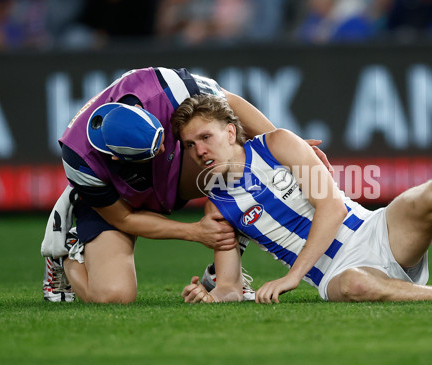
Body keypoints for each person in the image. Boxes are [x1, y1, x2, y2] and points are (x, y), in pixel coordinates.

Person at [172, 94, 432, 304]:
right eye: (190, 145)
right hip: (335, 275)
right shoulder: (216, 207)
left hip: (376, 231)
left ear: (230, 131)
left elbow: (330, 207)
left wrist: (293, 276)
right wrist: (207, 295)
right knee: (355, 284)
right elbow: (227, 286)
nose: (199, 151)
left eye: (205, 137)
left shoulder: (278, 143)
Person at [42, 66, 286, 303]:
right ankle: (67, 252)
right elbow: (124, 219)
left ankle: (222, 277)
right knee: (114, 296)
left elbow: (228, 102)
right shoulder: (80, 161)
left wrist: (284, 148)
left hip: (178, 170)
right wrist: (194, 232)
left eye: (159, 138)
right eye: (151, 151)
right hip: (120, 198)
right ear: (116, 157)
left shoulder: (163, 87)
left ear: (142, 110)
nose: (161, 149)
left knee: (237, 163)